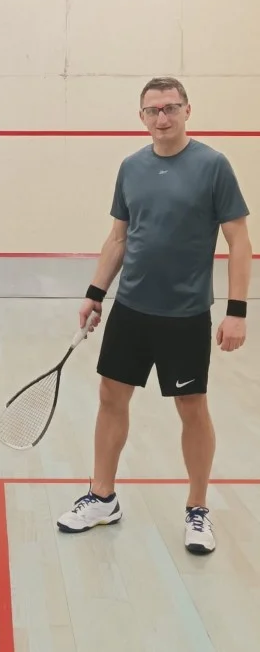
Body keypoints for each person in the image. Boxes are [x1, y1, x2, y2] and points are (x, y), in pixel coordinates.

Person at [57, 77, 251, 554]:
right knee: (110, 397)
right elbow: (119, 237)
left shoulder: (213, 166)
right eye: (153, 110)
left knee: (191, 406)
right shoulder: (131, 167)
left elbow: (239, 241)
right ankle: (102, 497)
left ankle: (197, 508)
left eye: (170, 108)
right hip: (131, 309)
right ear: (141, 116)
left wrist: (237, 311)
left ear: (187, 110)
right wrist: (95, 293)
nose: (162, 118)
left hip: (185, 315)